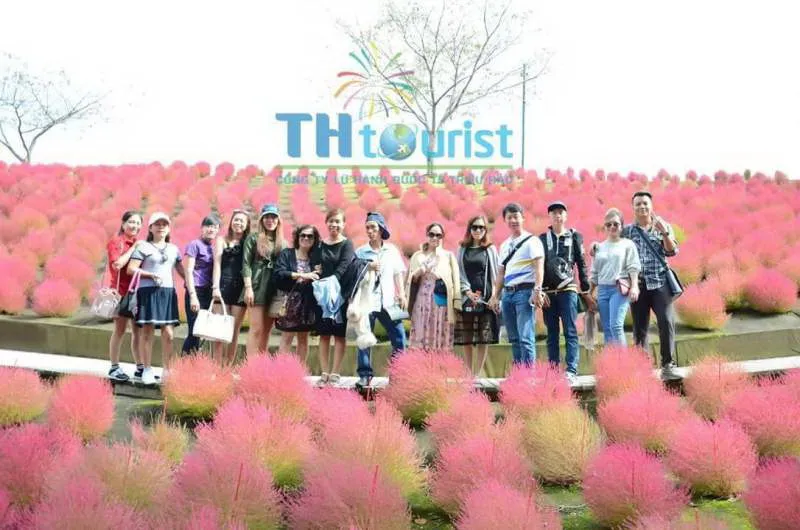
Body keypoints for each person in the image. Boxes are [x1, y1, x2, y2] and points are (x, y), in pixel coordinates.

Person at [622, 191, 680, 377]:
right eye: (638, 204)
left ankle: (668, 364)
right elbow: (616, 248)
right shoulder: (627, 231)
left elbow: (672, 251)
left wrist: (664, 233)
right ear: (633, 207)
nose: (642, 207)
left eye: (645, 203)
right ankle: (642, 367)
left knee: (666, 321)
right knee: (640, 328)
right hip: (638, 285)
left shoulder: (662, 225)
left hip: (660, 283)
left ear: (651, 206)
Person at [539, 201, 594, 383]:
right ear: (549, 216)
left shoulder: (575, 236)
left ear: (566, 215)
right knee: (552, 333)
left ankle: (571, 369)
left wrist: (585, 287)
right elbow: (538, 266)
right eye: (554, 212)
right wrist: (539, 290)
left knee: (570, 330)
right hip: (548, 292)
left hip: (568, 290)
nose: (557, 215)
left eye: (561, 212)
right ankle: (554, 370)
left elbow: (581, 262)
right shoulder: (542, 239)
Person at [127, 212, 185, 385]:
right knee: (147, 332)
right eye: (157, 224)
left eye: (164, 224)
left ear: (168, 228)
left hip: (167, 293)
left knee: (169, 333)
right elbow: (131, 269)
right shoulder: (143, 247)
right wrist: (150, 275)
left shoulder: (173, 249)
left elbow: (181, 270)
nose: (161, 227)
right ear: (150, 228)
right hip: (147, 292)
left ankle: (167, 370)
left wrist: (192, 285)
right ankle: (147, 369)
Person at [354, 212, 407, 388]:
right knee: (364, 338)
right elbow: (353, 275)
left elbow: (398, 273)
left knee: (399, 338)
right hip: (367, 302)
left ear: (381, 229)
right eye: (367, 227)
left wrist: (402, 294)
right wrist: (367, 266)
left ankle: (398, 375)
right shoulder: (361, 252)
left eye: (373, 227)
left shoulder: (391, 250)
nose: (370, 231)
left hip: (389, 302)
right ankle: (364, 375)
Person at [488, 203, 545, 367]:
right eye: (509, 217)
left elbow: (539, 267)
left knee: (525, 337)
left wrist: (537, 289)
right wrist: (495, 296)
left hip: (525, 292)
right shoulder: (505, 245)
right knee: (513, 338)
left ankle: (529, 375)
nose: (513, 220)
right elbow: (501, 273)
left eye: (516, 216)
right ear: (505, 221)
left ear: (523, 218)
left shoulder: (532, 241)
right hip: (508, 294)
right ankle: (520, 373)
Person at [312, 209, 355, 384]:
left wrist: (332, 280)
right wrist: (316, 270)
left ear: (343, 224)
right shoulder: (320, 245)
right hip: (322, 296)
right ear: (326, 223)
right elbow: (315, 263)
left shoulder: (347, 244)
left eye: (337, 221)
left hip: (340, 296)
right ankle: (324, 371)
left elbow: (344, 265)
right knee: (323, 335)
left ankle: (335, 372)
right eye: (331, 221)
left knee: (338, 335)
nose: (334, 224)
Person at [454, 215, 500, 376]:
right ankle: (468, 373)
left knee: (483, 337)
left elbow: (496, 274)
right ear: (470, 229)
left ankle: (477, 374)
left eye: (481, 227)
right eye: (475, 227)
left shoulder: (490, 249)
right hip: (467, 297)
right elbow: (458, 272)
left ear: (485, 230)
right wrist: (467, 292)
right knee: (467, 336)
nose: (478, 230)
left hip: (486, 299)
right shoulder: (462, 249)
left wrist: (494, 296)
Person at [589, 208, 641, 346]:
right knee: (607, 329)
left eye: (616, 224)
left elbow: (633, 267)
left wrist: (634, 286)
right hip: (602, 290)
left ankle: (622, 359)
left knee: (616, 326)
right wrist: (589, 293)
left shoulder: (627, 244)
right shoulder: (599, 247)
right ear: (604, 227)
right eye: (608, 224)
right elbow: (594, 273)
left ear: (621, 226)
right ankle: (611, 358)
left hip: (619, 289)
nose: (612, 227)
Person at [406, 223, 461, 351]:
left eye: (438, 235)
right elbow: (409, 279)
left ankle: (438, 361)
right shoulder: (417, 256)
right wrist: (420, 271)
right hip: (421, 300)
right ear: (427, 235)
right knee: (420, 330)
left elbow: (456, 280)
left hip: (440, 301)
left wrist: (457, 303)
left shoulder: (448, 256)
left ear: (442, 237)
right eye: (431, 234)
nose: (435, 238)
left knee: (440, 331)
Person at [241, 204, 285, 355]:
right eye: (267, 217)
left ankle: (261, 364)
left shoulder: (282, 243)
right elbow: (246, 264)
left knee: (266, 331)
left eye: (273, 217)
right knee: (256, 329)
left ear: (278, 220)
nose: (270, 220)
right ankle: (251, 365)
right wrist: (248, 288)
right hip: (256, 286)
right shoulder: (253, 239)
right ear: (261, 220)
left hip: (274, 289)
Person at [106, 210, 144, 381]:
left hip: (136, 293)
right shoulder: (116, 242)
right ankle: (114, 367)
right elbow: (117, 264)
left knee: (138, 331)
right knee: (120, 330)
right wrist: (134, 248)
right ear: (123, 224)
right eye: (131, 222)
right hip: (120, 293)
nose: (134, 226)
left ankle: (140, 367)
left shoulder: (139, 243)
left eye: (138, 223)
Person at [274, 225, 320, 361]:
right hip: (290, 300)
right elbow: (279, 273)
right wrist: (302, 275)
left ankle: (300, 369)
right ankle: (281, 369)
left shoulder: (316, 257)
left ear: (315, 239)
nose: (306, 238)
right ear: (297, 237)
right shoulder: (287, 254)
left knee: (303, 338)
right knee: (287, 336)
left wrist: (319, 272)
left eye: (310, 236)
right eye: (303, 235)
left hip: (308, 301)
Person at [211, 209, 250, 366]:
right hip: (222, 287)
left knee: (234, 331)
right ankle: (216, 367)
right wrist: (215, 287)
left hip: (240, 289)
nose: (238, 223)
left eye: (242, 221)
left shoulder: (248, 242)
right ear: (231, 221)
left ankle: (227, 368)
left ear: (247, 225)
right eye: (236, 219)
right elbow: (217, 264)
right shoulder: (221, 240)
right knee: (218, 330)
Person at [181, 214, 220, 355]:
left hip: (208, 292)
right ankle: (183, 362)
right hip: (196, 291)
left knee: (202, 331)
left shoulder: (213, 248)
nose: (211, 229)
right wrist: (192, 295)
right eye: (208, 226)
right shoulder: (194, 245)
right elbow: (188, 270)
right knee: (194, 330)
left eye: (214, 227)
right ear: (202, 228)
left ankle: (195, 361)